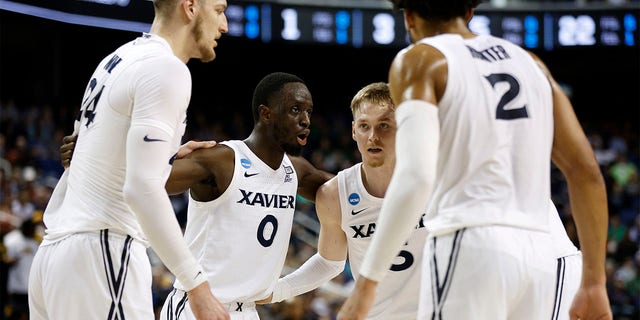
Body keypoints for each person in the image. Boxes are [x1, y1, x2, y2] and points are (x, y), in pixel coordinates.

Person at [338, 1, 611, 320]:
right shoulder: (531, 63)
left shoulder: (420, 59)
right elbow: (585, 171)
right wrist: (594, 281)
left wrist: (366, 285)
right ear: (469, 13)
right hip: (546, 251)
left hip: (472, 243)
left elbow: (416, 178)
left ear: (409, 18)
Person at [28, 0, 231, 319]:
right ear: (190, 7)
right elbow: (140, 188)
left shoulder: (116, 60)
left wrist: (166, 157)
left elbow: (84, 157)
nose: (225, 26)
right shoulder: (168, 69)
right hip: (103, 252)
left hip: (55, 259)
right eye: (219, 11)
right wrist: (197, 285)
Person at [157, 72, 336, 319]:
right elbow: (144, 182)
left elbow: (350, 192)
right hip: (197, 306)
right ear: (266, 113)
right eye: (295, 109)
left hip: (248, 310)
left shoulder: (296, 170)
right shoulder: (221, 160)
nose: (305, 120)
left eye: (308, 112)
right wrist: (166, 157)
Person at [257, 82, 426, 319]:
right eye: (365, 126)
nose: (373, 136)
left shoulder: (434, 179)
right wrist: (276, 290)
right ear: (354, 131)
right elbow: (329, 263)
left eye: (384, 125)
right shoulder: (335, 194)